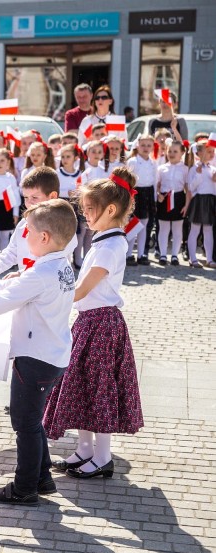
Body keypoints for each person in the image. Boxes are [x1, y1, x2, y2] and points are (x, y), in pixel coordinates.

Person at [0, 199, 77, 505]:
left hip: (36, 358)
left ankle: (24, 488)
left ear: (44, 237)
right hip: (51, 353)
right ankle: (42, 478)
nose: (24, 237)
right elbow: (13, 288)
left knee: (25, 422)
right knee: (33, 420)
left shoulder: (41, 274)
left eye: (28, 232)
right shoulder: (59, 266)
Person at [44, 168, 144, 479]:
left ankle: (102, 457)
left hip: (102, 324)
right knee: (82, 387)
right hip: (90, 322)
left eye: (90, 209)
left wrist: (46, 296)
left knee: (100, 389)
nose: (85, 215)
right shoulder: (103, 241)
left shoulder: (111, 246)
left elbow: (82, 289)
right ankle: (85, 450)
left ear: (110, 210)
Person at [0, 166, 77, 279]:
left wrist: (22, 274)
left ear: (52, 196)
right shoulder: (23, 224)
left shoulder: (63, 226)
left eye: (34, 197)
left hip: (51, 289)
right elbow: (11, 253)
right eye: (26, 197)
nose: (29, 203)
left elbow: (53, 262)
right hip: (27, 284)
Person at [155, 139, 192, 265]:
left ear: (182, 153)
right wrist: (158, 195)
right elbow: (157, 185)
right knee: (163, 228)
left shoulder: (186, 169)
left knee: (177, 229)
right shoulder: (161, 168)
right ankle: (163, 254)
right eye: (169, 150)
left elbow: (188, 189)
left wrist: (187, 205)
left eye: (175, 151)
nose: (171, 153)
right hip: (164, 199)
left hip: (179, 199)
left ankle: (175, 255)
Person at [125, 135, 157, 265]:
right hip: (135, 193)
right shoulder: (132, 161)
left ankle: (142, 254)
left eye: (149, 145)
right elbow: (128, 181)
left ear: (152, 147)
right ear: (137, 145)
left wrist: (154, 199)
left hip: (148, 193)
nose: (145, 148)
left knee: (144, 225)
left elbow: (155, 181)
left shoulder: (153, 163)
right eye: (143, 145)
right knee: (133, 224)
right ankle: (128, 254)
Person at [187, 140, 216, 268]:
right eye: (209, 151)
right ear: (199, 153)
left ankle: (209, 258)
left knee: (208, 230)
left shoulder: (213, 169)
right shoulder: (193, 169)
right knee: (195, 230)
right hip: (198, 201)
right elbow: (191, 187)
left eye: (213, 152)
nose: (212, 154)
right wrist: (198, 175)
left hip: (210, 201)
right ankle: (192, 258)